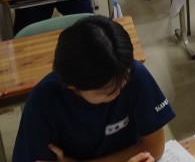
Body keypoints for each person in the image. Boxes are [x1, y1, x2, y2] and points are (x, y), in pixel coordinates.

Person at [13, 15, 175, 161]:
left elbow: (155, 147)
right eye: (107, 91)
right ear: (72, 85)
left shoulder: (130, 72)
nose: (119, 91)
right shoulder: (43, 102)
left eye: (124, 81)